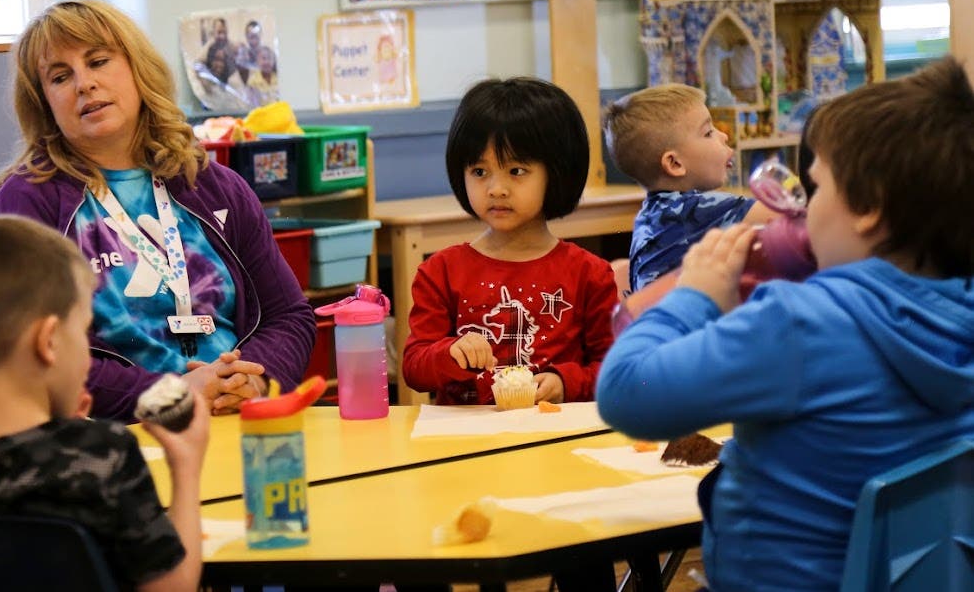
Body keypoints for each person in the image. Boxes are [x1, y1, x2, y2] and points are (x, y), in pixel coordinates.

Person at [597, 57, 974, 592]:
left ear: (867, 208)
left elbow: (625, 393)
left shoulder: (797, 325)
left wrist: (695, 296)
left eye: (814, 189)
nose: (800, 211)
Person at [0, 0, 315, 421]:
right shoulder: (27, 204)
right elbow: (27, 353)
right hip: (116, 436)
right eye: (60, 76)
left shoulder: (215, 186)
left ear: (137, 69)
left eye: (98, 61)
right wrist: (169, 393)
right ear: (43, 103)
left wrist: (252, 380)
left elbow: (288, 316)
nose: (84, 84)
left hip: (235, 418)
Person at [0, 216, 209, 592]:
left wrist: (59, 424)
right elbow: (172, 588)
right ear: (48, 340)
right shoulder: (103, 454)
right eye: (82, 331)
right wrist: (186, 467)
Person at [402, 78, 617, 407]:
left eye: (516, 171)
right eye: (479, 171)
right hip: (466, 442)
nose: (496, 189)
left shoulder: (589, 274)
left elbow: (615, 371)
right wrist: (450, 353)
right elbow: (414, 368)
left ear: (557, 172)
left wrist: (566, 381)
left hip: (553, 435)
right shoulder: (441, 271)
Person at [603, 83, 774, 292]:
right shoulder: (691, 210)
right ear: (675, 164)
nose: (724, 136)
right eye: (708, 133)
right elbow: (784, 214)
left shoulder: (651, 215)